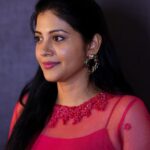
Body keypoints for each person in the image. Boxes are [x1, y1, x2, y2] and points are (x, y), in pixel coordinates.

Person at [6, 0, 150, 149]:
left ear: (92, 45)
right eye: (38, 38)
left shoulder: (125, 113)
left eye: (58, 38)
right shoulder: (26, 107)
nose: (43, 50)